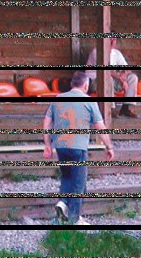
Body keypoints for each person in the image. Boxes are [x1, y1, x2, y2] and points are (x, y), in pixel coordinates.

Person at [43, 70, 115, 226]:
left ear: (71, 84)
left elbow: (47, 122)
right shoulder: (89, 102)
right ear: (86, 86)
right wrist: (109, 146)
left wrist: (47, 144)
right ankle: (74, 219)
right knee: (79, 183)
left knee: (67, 176)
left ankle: (62, 203)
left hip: (61, 146)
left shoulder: (58, 99)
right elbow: (100, 127)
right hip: (78, 146)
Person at [85, 37, 139, 118]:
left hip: (112, 81)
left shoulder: (116, 53)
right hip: (94, 82)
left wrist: (124, 74)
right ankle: (110, 109)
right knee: (107, 78)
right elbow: (106, 70)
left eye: (114, 39)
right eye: (110, 39)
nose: (113, 41)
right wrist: (121, 79)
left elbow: (127, 68)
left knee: (133, 77)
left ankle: (126, 108)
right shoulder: (96, 52)